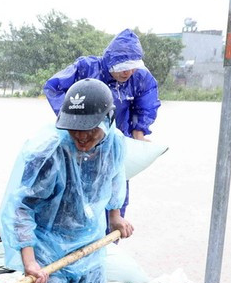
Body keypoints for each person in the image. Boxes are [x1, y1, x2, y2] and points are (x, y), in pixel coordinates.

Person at [0, 78, 134, 283]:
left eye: (90, 131)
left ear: (108, 121)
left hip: (89, 245)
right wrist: (30, 261)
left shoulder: (115, 144)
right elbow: (21, 207)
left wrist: (116, 216)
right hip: (47, 251)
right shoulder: (48, 152)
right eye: (74, 130)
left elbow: (115, 181)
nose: (81, 137)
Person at [44, 29, 161, 221]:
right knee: (77, 194)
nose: (128, 72)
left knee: (115, 193)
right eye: (124, 66)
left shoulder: (139, 77)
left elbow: (145, 104)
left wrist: (138, 133)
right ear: (111, 62)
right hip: (80, 146)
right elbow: (54, 87)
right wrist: (76, 125)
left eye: (133, 67)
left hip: (114, 144)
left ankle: (107, 242)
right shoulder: (87, 68)